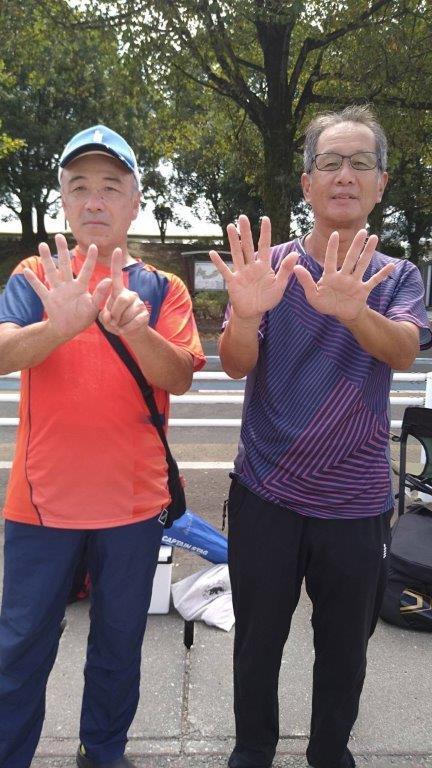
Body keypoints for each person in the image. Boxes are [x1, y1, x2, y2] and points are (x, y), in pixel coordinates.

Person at [209, 105, 432, 768]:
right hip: (266, 492)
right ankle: (252, 749)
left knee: (345, 649)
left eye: (360, 163)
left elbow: (402, 351)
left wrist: (355, 311)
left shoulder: (397, 276)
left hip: (356, 502)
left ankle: (330, 751)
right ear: (307, 183)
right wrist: (244, 316)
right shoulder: (269, 268)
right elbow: (235, 364)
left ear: (381, 183)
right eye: (329, 162)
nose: (344, 175)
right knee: (257, 642)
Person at [0, 125, 205, 768]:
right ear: (62, 198)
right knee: (20, 644)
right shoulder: (35, 275)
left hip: (133, 505)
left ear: (135, 201)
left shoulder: (162, 287)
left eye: (111, 187)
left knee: (119, 642)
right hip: (41, 503)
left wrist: (135, 331)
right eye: (79, 186)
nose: (94, 200)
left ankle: (105, 750)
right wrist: (57, 327)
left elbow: (179, 375)